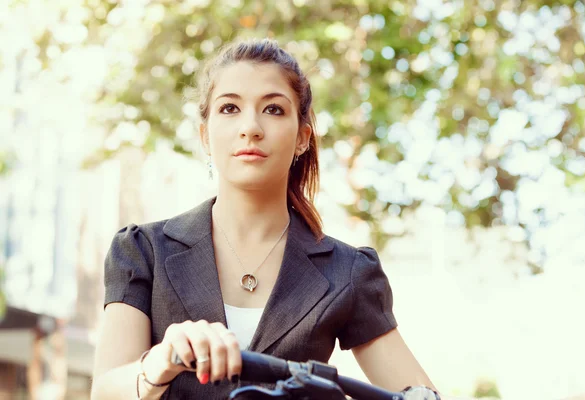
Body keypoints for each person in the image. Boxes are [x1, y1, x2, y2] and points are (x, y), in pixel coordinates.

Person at [90, 38, 437, 400]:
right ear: (204, 135)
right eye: (229, 109)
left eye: (273, 110)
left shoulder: (347, 271)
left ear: (303, 137)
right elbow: (104, 392)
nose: (250, 127)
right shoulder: (143, 252)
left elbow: (418, 394)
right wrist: (161, 362)